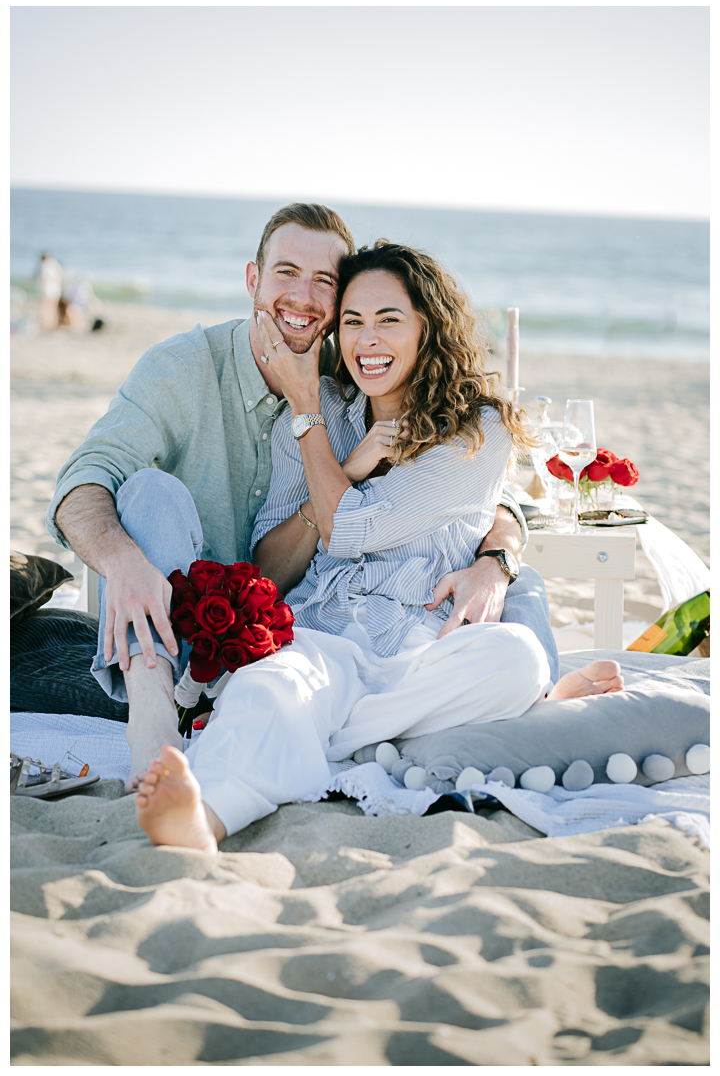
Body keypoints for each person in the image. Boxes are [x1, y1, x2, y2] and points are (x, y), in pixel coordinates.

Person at [46, 203, 557, 792]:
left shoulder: (351, 372)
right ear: (252, 280)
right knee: (148, 492)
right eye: (286, 272)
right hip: (185, 632)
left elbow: (480, 488)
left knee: (522, 612)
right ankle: (157, 718)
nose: (304, 297)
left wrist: (498, 556)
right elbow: (81, 480)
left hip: (282, 635)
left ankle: (340, 726)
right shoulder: (188, 369)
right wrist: (124, 565)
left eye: (325, 282)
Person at [133, 241, 622, 853]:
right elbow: (271, 562)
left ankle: (322, 740)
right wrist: (324, 425)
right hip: (325, 633)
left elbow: (351, 529)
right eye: (353, 321)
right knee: (272, 685)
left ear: (428, 327)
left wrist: (304, 410)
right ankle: (204, 819)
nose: (368, 340)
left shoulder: (479, 431)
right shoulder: (327, 412)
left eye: (389, 319)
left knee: (517, 657)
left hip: (423, 647)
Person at [37, 252, 63, 332]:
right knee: (53, 309)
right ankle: (52, 326)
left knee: (45, 310)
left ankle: (46, 326)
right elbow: (60, 278)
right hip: (55, 291)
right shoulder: (55, 266)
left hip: (47, 291)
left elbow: (44, 280)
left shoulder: (45, 266)